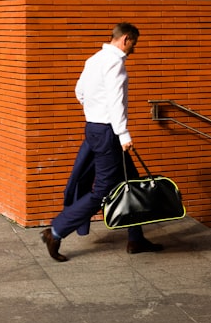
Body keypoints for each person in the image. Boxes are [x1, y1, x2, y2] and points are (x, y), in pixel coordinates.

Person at [41, 22, 164, 262]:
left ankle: (136, 238)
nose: (134, 50)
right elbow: (116, 103)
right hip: (109, 132)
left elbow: (80, 92)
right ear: (126, 38)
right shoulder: (115, 63)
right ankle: (55, 231)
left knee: (132, 182)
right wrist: (123, 134)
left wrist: (94, 113)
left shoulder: (94, 59)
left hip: (95, 128)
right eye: (134, 44)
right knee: (103, 189)